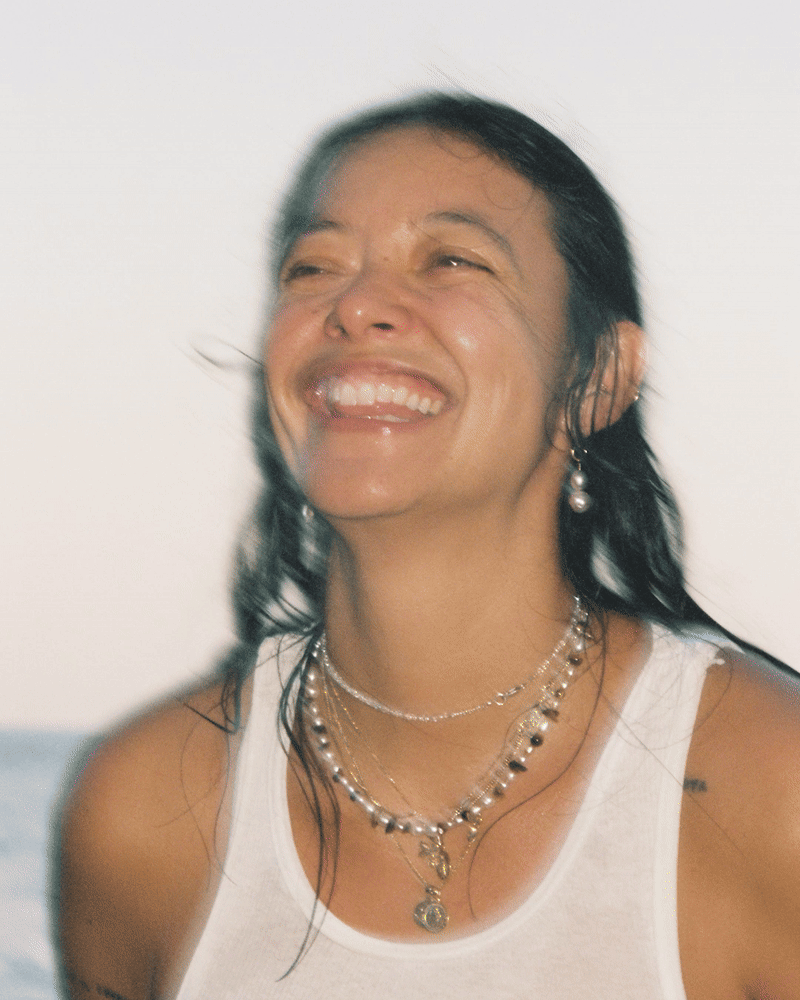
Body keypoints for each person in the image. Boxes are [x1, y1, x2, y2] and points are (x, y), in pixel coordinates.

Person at [53, 93, 800, 999]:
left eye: (452, 258)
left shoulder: (771, 790)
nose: (356, 304)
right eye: (311, 266)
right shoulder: (143, 811)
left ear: (600, 376)